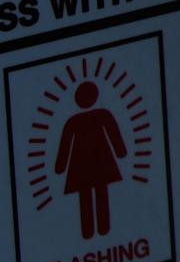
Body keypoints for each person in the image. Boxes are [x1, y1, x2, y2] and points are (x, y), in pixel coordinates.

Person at [51, 78, 127, 241]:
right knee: (92, 194)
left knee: (97, 193)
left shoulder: (80, 120)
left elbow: (114, 134)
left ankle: (97, 230)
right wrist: (120, 152)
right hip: (90, 163)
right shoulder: (85, 119)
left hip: (93, 162)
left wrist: (60, 166)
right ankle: (91, 231)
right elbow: (65, 143)